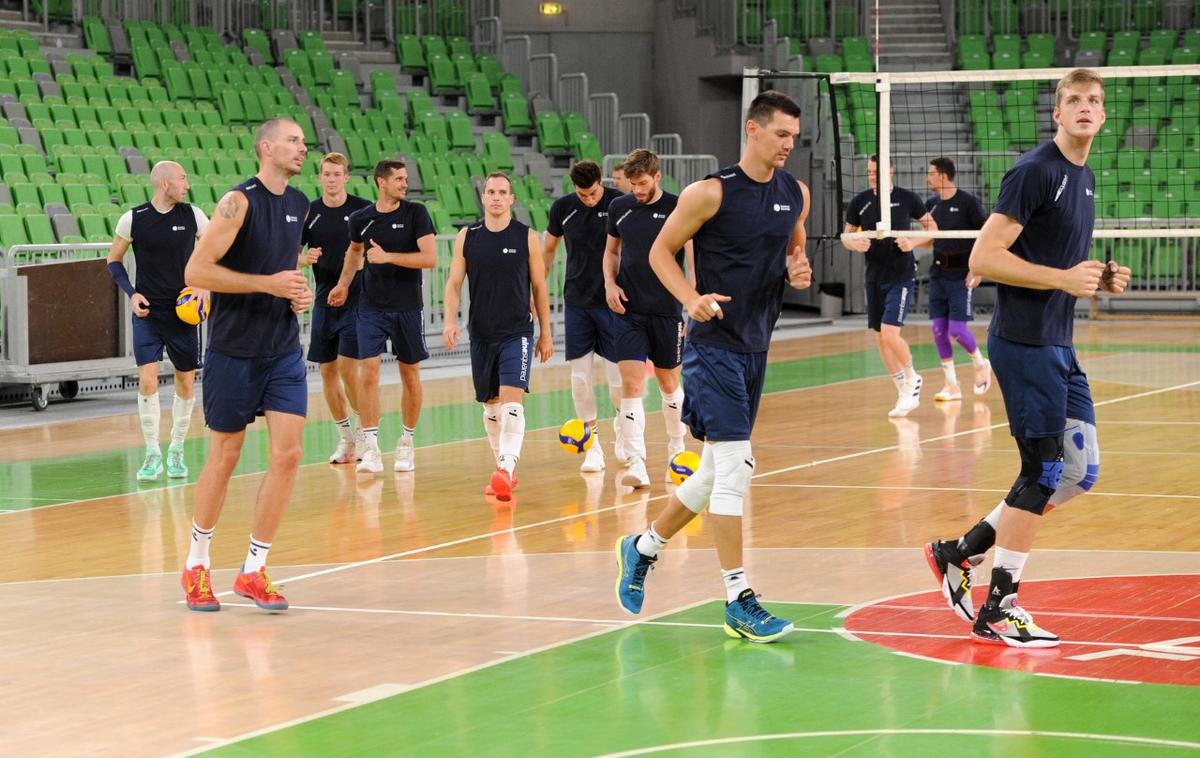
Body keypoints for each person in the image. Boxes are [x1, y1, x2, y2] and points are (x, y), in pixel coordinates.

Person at [924, 68, 1129, 648]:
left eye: (1094, 101)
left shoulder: (1082, 177)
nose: (1085, 108)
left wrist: (1096, 279)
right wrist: (1064, 280)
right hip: (1024, 342)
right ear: (1057, 113)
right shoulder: (1035, 172)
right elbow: (986, 257)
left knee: (1077, 472)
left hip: (1058, 343)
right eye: (1074, 101)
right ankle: (999, 605)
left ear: (1103, 115)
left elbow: (1056, 262)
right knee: (1041, 472)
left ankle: (957, 553)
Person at [613, 91, 813, 643]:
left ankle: (642, 547)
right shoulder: (709, 193)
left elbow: (794, 254)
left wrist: (799, 273)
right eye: (780, 134)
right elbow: (659, 252)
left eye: (794, 136)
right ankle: (737, 597)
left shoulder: (796, 193)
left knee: (710, 472)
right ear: (752, 130)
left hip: (755, 345)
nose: (788, 145)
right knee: (736, 468)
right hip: (711, 345)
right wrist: (690, 297)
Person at [180, 117, 313, 612]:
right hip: (233, 350)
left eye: (303, 142)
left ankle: (253, 570)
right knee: (226, 455)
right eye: (294, 141)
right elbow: (196, 270)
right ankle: (197, 564)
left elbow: (283, 270)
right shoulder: (237, 202)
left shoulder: (299, 205)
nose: (303, 148)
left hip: (281, 349)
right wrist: (269, 284)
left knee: (289, 454)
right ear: (267, 147)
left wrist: (298, 291)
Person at [443, 173, 553, 500]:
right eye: (490, 192)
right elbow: (452, 284)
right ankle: (503, 468)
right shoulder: (468, 236)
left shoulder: (527, 236)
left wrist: (546, 333)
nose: (495, 197)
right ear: (483, 198)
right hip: (481, 333)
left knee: (511, 404)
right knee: (491, 407)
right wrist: (450, 321)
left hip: (516, 331)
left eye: (502, 192)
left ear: (511, 199)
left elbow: (540, 287)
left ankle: (505, 468)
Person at [329, 160, 436, 474]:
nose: (405, 183)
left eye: (405, 177)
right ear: (381, 182)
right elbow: (353, 251)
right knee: (370, 374)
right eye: (399, 179)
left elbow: (430, 258)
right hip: (370, 307)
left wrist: (388, 257)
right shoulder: (361, 219)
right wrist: (343, 284)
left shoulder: (416, 213)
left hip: (407, 307)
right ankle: (372, 448)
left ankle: (406, 442)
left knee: (409, 376)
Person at [107, 161, 210, 482]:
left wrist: (204, 286)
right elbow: (113, 260)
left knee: (185, 383)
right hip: (148, 314)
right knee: (148, 382)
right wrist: (131, 293)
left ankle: (176, 450)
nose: (187, 185)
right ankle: (152, 453)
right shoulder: (133, 219)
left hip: (184, 314)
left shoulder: (194, 215)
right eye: (182, 179)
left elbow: (212, 254)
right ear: (164, 183)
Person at [603, 148, 694, 488]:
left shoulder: (677, 207)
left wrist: (692, 297)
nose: (637, 190)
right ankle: (637, 461)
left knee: (670, 383)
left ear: (657, 176)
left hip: (667, 310)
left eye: (642, 183)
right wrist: (610, 284)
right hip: (628, 310)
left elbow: (691, 255)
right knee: (631, 384)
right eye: (632, 184)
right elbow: (611, 251)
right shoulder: (619, 207)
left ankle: (676, 450)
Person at [544, 159, 626, 473]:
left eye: (592, 193)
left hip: (613, 301)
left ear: (600, 184)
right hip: (578, 301)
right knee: (579, 379)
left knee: (616, 378)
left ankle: (623, 428)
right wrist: (537, 286)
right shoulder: (563, 208)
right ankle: (593, 446)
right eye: (582, 194)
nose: (589, 199)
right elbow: (549, 249)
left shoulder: (618, 204)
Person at [843, 155, 937, 417]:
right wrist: (854, 243)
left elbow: (932, 230)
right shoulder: (859, 202)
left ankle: (912, 376)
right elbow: (847, 236)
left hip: (901, 275)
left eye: (877, 171)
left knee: (889, 333)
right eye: (870, 172)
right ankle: (902, 390)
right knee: (880, 339)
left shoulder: (908, 199)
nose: (873, 175)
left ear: (891, 171)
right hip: (873, 276)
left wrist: (912, 242)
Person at [298, 152, 373, 463]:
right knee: (327, 370)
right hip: (324, 300)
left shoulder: (361, 209)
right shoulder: (311, 212)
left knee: (347, 368)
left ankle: (367, 434)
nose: (331, 179)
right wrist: (304, 260)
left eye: (336, 174)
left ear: (346, 177)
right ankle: (346, 439)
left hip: (357, 300)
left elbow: (371, 253)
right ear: (320, 177)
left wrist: (348, 282)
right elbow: (293, 254)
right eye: (326, 174)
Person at [923, 157, 992, 402]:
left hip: (961, 275)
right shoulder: (930, 205)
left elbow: (987, 236)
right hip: (938, 273)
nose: (927, 178)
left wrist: (978, 268)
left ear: (943, 176)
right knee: (939, 331)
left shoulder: (968, 203)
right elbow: (928, 239)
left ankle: (981, 364)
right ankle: (951, 385)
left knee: (957, 330)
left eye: (931, 174)